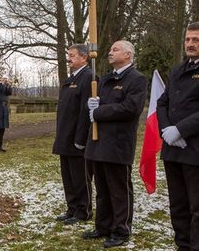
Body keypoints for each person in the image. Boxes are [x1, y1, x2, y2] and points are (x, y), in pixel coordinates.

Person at [156, 22, 199, 251]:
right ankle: (182, 245)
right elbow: (162, 103)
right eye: (187, 39)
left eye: (196, 40)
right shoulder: (177, 70)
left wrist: (180, 130)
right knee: (178, 204)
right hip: (173, 148)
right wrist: (167, 131)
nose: (190, 44)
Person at [82, 40, 147, 248]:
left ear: (128, 54)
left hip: (118, 143)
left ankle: (121, 229)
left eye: (115, 49)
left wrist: (99, 111)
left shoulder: (136, 79)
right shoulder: (107, 78)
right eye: (110, 49)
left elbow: (130, 108)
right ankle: (103, 226)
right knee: (101, 187)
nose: (110, 52)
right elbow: (101, 104)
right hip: (98, 141)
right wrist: (93, 104)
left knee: (119, 189)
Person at [52, 44, 93, 225]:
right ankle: (72, 207)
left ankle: (83, 210)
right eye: (68, 55)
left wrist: (81, 138)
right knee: (68, 176)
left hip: (77, 137)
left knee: (80, 176)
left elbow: (85, 111)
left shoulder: (89, 78)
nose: (69, 58)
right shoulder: (70, 79)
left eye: (72, 55)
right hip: (64, 135)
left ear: (84, 58)